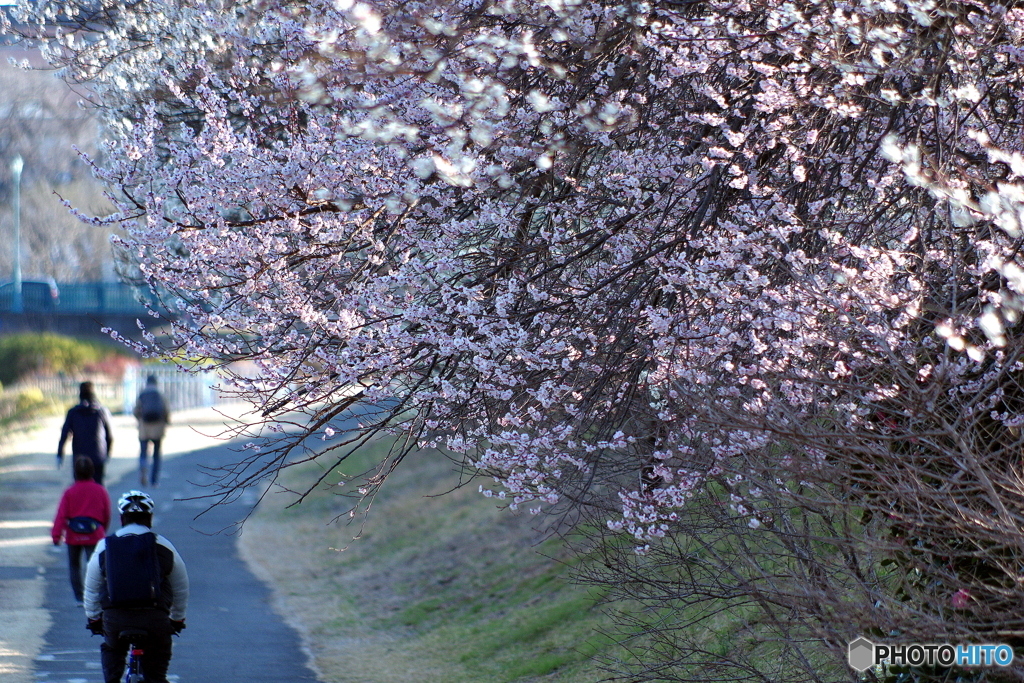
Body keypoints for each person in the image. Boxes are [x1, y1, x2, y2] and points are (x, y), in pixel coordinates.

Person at [84, 490, 188, 683]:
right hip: (155, 618)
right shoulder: (164, 545)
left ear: (122, 518)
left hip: (116, 619)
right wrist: (177, 618)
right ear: (149, 518)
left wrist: (94, 618)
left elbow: (92, 586)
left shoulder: (105, 546)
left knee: (112, 649)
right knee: (156, 676)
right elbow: (180, 586)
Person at [51, 457, 111, 604]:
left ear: (75, 472)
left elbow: (61, 515)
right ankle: (95, 593)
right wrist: (102, 530)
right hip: (94, 534)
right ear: (92, 472)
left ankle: (79, 595)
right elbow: (106, 514)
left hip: (73, 534)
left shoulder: (69, 492)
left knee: (74, 565)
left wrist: (56, 535)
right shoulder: (100, 490)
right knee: (95, 565)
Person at [57, 381, 114, 485]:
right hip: (98, 456)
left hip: (80, 458)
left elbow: (64, 434)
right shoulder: (102, 411)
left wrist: (60, 454)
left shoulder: (73, 412)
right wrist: (107, 454)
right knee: (98, 487)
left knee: (80, 488)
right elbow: (109, 436)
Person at [132, 375, 170, 487]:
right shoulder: (160, 394)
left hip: (144, 428)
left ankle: (143, 469)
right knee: (156, 455)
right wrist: (166, 422)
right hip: (158, 428)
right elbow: (166, 410)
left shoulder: (142, 394)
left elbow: (136, 410)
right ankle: (154, 480)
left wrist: (139, 420)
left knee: (143, 452)